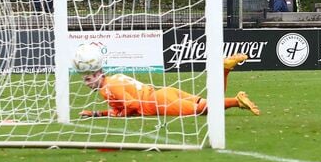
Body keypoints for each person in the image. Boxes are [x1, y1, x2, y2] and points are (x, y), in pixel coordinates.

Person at [80, 53, 260, 117]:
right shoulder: (115, 77)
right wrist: (97, 114)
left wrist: (122, 115)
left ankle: (224, 70)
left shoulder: (107, 89)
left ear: (98, 74)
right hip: (164, 93)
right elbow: (121, 106)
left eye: (88, 79)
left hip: (158, 103)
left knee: (205, 110)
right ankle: (237, 101)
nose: (86, 83)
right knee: (204, 103)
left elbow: (132, 105)